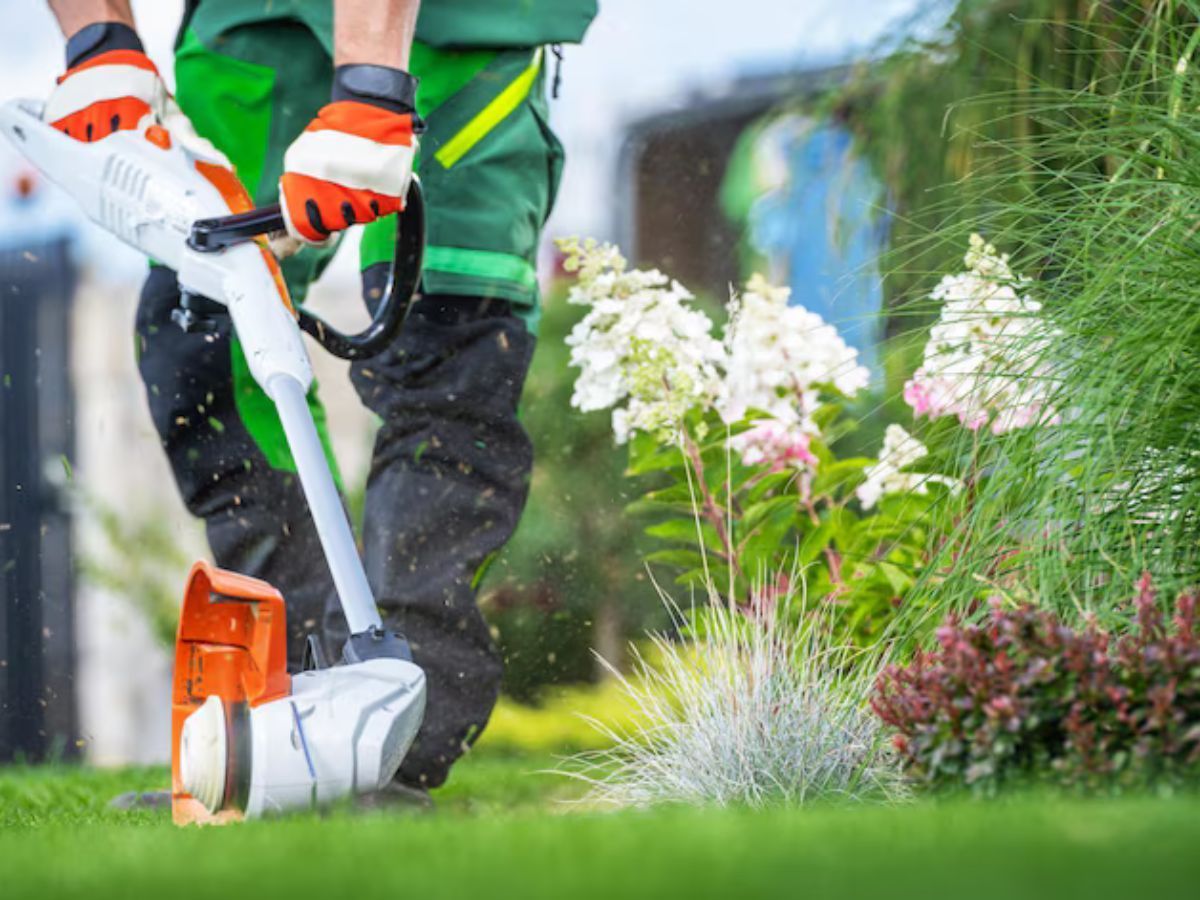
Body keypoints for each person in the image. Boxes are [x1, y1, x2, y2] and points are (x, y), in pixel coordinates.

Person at [45, 0, 596, 803]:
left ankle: (391, 745)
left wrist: (371, 84)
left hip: (458, 25)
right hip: (255, 23)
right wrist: (98, 39)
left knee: (447, 336)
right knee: (200, 334)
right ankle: (292, 722)